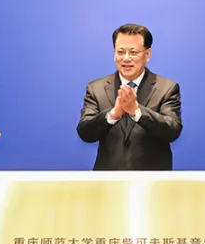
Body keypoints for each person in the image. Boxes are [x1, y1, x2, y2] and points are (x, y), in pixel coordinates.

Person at [77, 23, 182, 169]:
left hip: (152, 179)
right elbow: (85, 133)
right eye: (120, 52)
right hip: (108, 179)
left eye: (133, 52)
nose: (126, 58)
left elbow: (172, 131)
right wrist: (112, 115)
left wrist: (136, 112)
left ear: (147, 54)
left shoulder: (167, 88)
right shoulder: (96, 88)